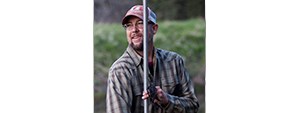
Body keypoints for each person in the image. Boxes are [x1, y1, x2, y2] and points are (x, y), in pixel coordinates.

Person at [106, 5, 199, 113]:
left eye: (140, 23)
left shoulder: (174, 61)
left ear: (154, 28)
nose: (134, 30)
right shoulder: (120, 70)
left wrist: (167, 101)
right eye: (129, 25)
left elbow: (193, 106)